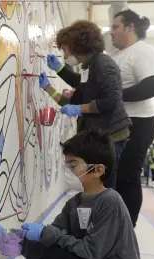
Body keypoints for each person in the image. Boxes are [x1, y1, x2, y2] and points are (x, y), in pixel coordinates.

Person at [0, 127, 145, 259]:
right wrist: (10, 236)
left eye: (74, 166)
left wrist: (46, 234)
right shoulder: (74, 204)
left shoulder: (110, 201)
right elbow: (50, 237)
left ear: (98, 170)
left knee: (55, 253)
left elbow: (92, 252)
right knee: (37, 256)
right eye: (67, 166)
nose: (69, 173)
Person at [39, 20, 131, 190]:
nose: (65, 56)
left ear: (77, 45)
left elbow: (111, 101)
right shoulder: (88, 66)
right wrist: (48, 88)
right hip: (100, 134)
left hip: (112, 135)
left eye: (65, 50)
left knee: (102, 185)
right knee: (94, 183)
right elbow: (76, 99)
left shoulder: (103, 64)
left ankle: (105, 215)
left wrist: (79, 109)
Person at [106, 5, 154, 227]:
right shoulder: (117, 55)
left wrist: (113, 98)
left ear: (130, 27)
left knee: (127, 177)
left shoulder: (143, 52)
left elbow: (151, 87)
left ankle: (126, 231)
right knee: (113, 178)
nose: (110, 32)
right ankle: (114, 227)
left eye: (115, 27)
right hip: (119, 124)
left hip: (138, 124)